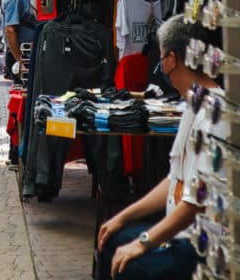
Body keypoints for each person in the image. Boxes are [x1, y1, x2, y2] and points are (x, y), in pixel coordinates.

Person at [97, 14, 228, 280]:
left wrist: (144, 241)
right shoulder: (193, 105)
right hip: (181, 236)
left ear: (170, 59)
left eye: (160, 57)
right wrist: (122, 217)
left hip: (201, 246)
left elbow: (194, 204)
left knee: (128, 263)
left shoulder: (217, 116)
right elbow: (174, 179)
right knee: (111, 239)